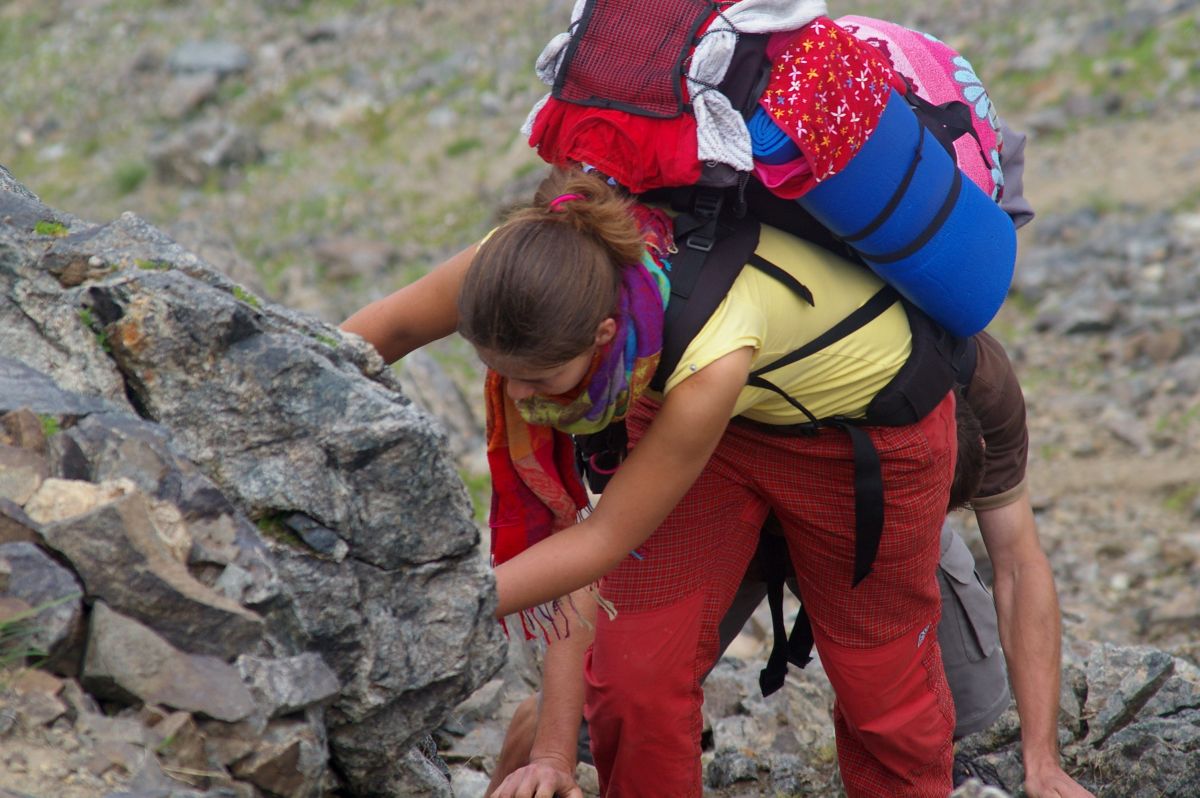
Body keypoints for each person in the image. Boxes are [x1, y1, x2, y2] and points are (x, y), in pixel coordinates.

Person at [343, 166, 961, 795]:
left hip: (863, 439)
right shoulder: (522, 270)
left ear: (604, 335)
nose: (521, 398)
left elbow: (603, 541)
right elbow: (378, 334)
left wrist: (444, 601)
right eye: (500, 373)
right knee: (634, 676)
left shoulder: (709, 354)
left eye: (541, 379)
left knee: (879, 687)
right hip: (703, 410)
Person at [486, 332, 1096, 798]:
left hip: (879, 521)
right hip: (716, 496)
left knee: (960, 707)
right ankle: (529, 745)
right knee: (614, 699)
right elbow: (598, 550)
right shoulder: (710, 351)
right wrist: (553, 749)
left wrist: (1042, 759)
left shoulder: (980, 378)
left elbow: (1018, 562)